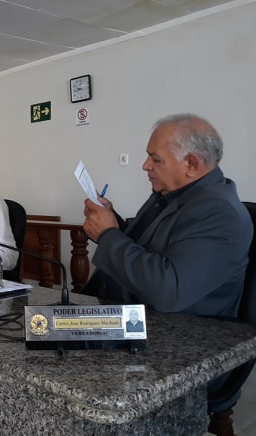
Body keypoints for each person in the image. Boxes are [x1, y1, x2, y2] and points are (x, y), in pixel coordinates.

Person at [82, 114, 252, 435]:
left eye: (155, 159)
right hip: (134, 316)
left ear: (191, 163)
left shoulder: (218, 212)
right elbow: (144, 245)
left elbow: (168, 290)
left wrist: (107, 235)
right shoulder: (171, 194)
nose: (145, 165)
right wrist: (111, 220)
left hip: (183, 341)